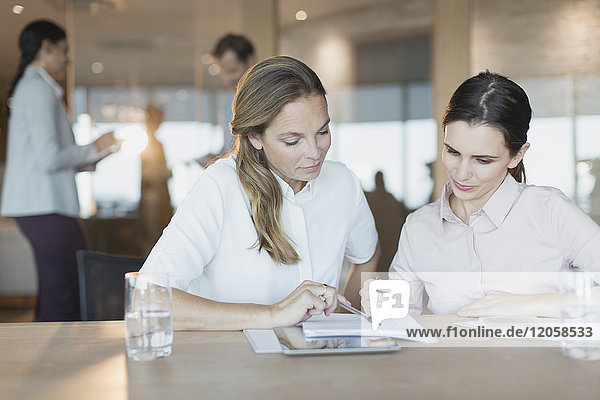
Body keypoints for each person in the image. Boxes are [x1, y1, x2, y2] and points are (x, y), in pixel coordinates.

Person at [140, 55, 380, 330]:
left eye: (322, 132)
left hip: (314, 366)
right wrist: (273, 315)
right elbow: (148, 300)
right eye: (292, 141)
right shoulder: (220, 187)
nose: (315, 153)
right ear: (255, 137)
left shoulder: (342, 183)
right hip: (233, 365)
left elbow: (367, 256)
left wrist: (341, 325)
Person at [361, 71, 600, 318]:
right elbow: (400, 324)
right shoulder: (420, 226)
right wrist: (379, 309)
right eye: (453, 152)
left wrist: (530, 305)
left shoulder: (551, 211)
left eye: (482, 160)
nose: (461, 174)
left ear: (517, 155)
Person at [1, 20, 120, 321]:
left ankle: (54, 361)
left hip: (43, 205)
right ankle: (61, 361)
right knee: (67, 288)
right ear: (46, 47)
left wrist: (95, 155)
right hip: (44, 206)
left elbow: (48, 158)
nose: (67, 58)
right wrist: (95, 146)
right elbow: (50, 158)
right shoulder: (37, 89)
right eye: (64, 50)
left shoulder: (35, 88)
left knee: (61, 287)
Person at [198, 34, 256, 166]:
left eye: (232, 71)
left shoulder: (270, 96)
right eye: (223, 72)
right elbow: (231, 147)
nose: (227, 79)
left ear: (250, 60)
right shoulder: (228, 101)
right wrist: (217, 157)